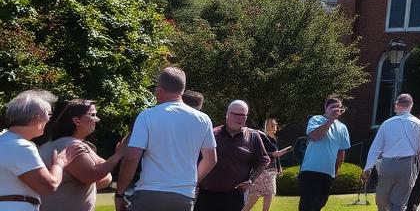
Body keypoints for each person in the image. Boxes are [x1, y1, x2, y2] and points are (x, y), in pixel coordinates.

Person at [117, 67, 218, 211]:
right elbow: (211, 159)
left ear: (159, 89)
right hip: (184, 196)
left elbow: (132, 157)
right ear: (182, 90)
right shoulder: (203, 119)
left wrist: (120, 192)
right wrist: (192, 182)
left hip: (150, 193)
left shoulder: (147, 116)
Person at [39, 99, 125, 211]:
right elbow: (93, 175)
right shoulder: (72, 145)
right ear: (77, 120)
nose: (97, 119)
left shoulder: (53, 144)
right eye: (92, 115)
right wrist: (119, 154)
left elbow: (105, 178)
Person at [197, 100, 271, 211]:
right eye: (236, 114)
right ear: (227, 114)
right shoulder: (212, 134)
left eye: (244, 115)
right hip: (206, 194)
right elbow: (196, 159)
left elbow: (263, 160)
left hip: (234, 195)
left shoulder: (253, 136)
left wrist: (252, 179)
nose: (240, 118)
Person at [362, 93, 420, 211]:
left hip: (387, 164)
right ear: (411, 105)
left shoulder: (387, 124)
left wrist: (368, 167)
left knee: (382, 199)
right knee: (399, 202)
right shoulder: (419, 124)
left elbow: (376, 148)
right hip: (408, 165)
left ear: (396, 106)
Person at [3, 91, 70, 208]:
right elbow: (48, 186)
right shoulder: (21, 146)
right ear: (37, 117)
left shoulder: (4, 141)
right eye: (48, 115)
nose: (48, 120)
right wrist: (58, 166)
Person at [298, 96, 350, 211]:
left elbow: (341, 152)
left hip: (328, 173)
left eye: (339, 108)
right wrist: (330, 120)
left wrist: (336, 171)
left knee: (319, 205)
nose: (336, 110)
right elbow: (315, 136)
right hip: (310, 170)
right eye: (333, 107)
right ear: (326, 108)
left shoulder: (343, 128)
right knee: (307, 206)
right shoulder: (316, 119)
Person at [241, 119, 290, 211]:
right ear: (268, 126)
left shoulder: (274, 138)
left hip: (271, 171)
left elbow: (276, 155)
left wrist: (278, 167)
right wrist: (284, 151)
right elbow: (266, 153)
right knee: (258, 193)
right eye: (272, 125)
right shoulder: (263, 137)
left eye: (275, 125)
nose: (274, 127)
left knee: (267, 193)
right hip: (263, 171)